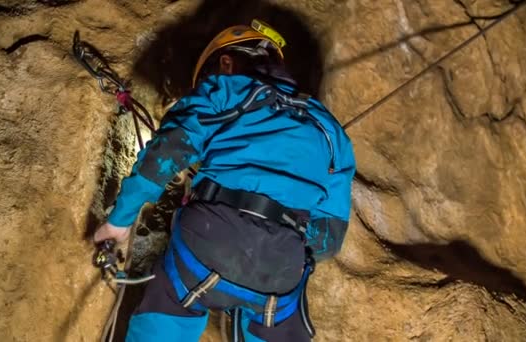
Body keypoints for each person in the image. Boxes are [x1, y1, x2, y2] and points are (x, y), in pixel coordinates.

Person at [94, 19, 356, 342]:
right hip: (278, 272)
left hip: (207, 243)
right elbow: (328, 241)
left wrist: (119, 222)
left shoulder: (225, 91)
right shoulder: (331, 133)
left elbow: (168, 150)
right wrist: (275, 239)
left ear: (226, 63)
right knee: (281, 320)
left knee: (170, 305)